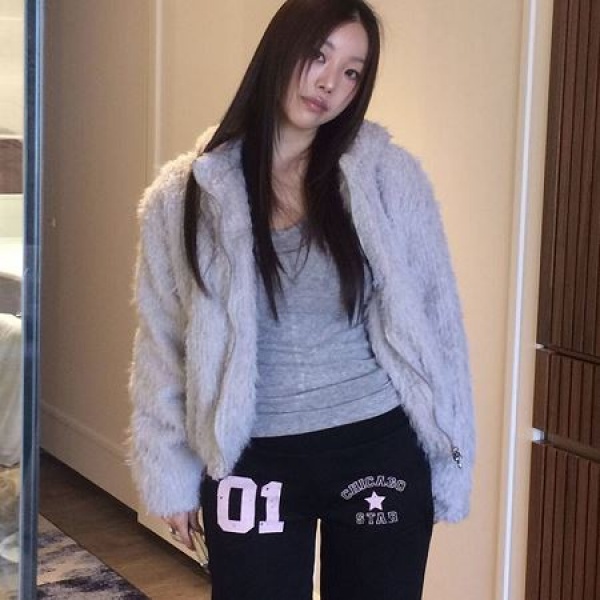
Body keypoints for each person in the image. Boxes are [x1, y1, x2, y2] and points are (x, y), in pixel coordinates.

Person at [128, 0, 475, 598]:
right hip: (253, 459)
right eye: (319, 56)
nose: (330, 83)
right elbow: (162, 343)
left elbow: (438, 322)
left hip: (377, 446)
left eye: (351, 72)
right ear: (279, 50)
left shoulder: (386, 178)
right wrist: (170, 475)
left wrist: (450, 452)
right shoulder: (183, 196)